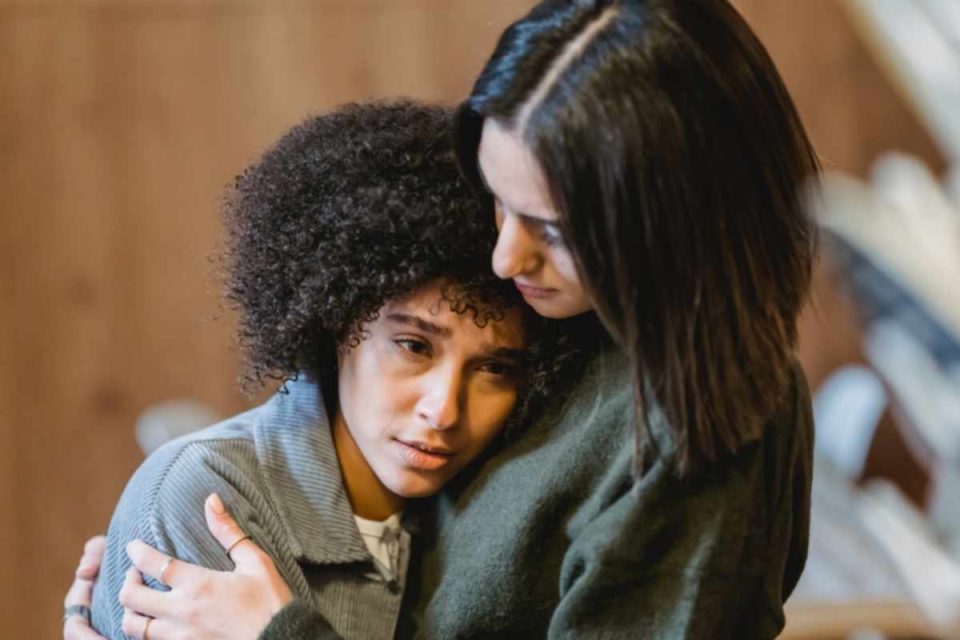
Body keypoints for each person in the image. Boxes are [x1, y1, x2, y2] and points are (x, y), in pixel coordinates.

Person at [66, 1, 820, 637]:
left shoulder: (704, 423)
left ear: (671, 217)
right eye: (499, 201)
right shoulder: (562, 316)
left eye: (552, 230)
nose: (504, 258)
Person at [73, 100, 592, 640]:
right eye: (414, 345)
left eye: (494, 369)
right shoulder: (206, 495)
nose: (443, 410)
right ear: (339, 320)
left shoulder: (476, 509)